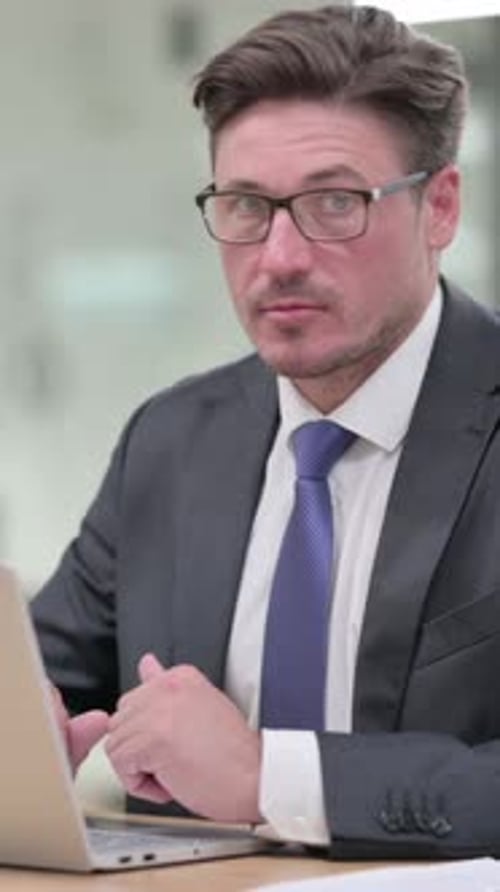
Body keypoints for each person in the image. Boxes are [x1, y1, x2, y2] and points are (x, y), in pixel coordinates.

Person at [30, 4, 500, 859]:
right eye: (246, 204)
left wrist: (267, 777)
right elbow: (34, 679)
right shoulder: (172, 439)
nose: (279, 255)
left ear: (440, 207)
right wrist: (24, 747)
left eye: (332, 202)